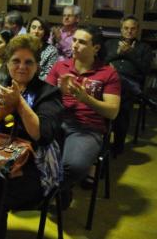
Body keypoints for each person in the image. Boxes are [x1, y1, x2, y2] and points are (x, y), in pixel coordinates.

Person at [0, 35, 63, 239]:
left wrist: (19, 103)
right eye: (16, 61)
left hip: (33, 167)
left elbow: (42, 135)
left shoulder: (49, 93)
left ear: (38, 66)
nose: (22, 67)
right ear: (7, 63)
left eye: (29, 62)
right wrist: (2, 114)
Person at [46, 25, 121, 205]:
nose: (75, 46)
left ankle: (53, 192)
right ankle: (55, 192)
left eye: (82, 42)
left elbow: (112, 112)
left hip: (87, 127)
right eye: (74, 41)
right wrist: (57, 93)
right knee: (27, 152)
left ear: (95, 48)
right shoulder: (60, 66)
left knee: (74, 166)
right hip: (57, 120)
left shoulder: (108, 73)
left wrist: (86, 99)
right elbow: (44, 101)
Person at [103, 15, 152, 154]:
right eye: (126, 28)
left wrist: (131, 53)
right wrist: (118, 53)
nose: (129, 31)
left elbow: (145, 70)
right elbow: (101, 62)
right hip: (108, 81)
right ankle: (102, 139)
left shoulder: (144, 48)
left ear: (137, 30)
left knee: (122, 101)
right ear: (121, 29)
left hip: (130, 85)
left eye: (132, 29)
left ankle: (117, 145)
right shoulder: (110, 44)